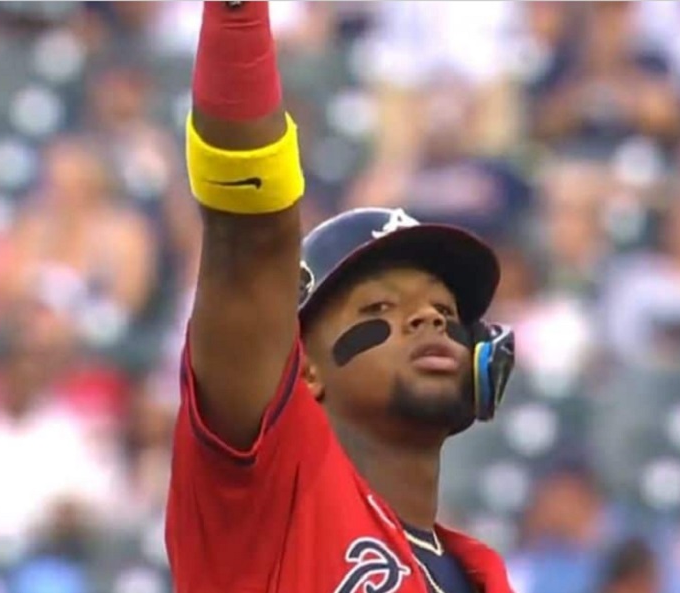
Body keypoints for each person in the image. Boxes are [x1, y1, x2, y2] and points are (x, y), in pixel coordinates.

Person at [165, 3, 517, 592]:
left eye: (446, 310)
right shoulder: (263, 494)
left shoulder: (481, 574)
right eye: (379, 309)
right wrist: (237, 16)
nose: (429, 318)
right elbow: (248, 233)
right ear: (303, 368)